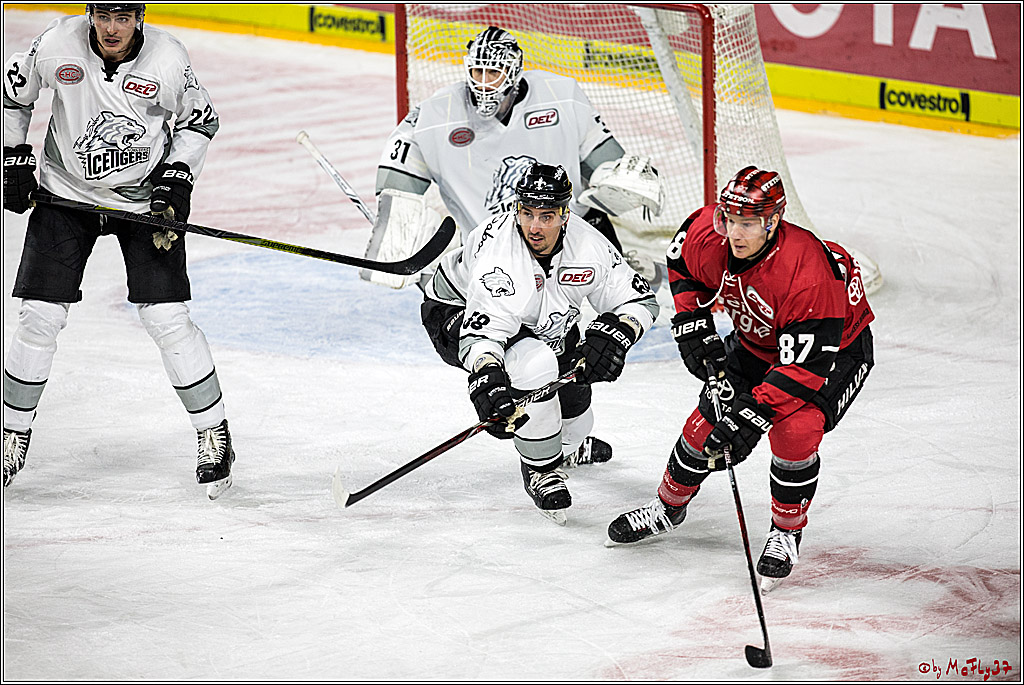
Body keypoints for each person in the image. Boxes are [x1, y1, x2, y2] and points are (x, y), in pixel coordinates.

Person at [2, 4, 235, 499]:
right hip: (66, 196)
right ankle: (10, 435)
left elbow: (201, 120)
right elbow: (13, 93)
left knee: (167, 318)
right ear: (89, 15)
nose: (111, 28)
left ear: (139, 18)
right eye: (103, 16)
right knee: (39, 316)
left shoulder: (167, 59)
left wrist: (178, 178)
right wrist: (13, 153)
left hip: (142, 202)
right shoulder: (58, 43)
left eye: (122, 17)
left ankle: (214, 432)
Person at [606, 166, 875, 592]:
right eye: (729, 220)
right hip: (758, 342)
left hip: (834, 353)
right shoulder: (711, 235)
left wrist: (753, 415)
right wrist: (691, 319)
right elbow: (679, 259)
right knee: (704, 425)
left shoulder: (806, 273)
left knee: (794, 429)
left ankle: (786, 531)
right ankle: (667, 507)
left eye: (747, 223)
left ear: (773, 222)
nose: (735, 232)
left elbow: (802, 370)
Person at [421, 162, 659, 524]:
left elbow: (641, 302)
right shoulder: (501, 259)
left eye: (546, 216)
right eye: (527, 213)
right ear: (516, 208)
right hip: (455, 312)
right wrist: (488, 380)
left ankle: (562, 449)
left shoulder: (588, 245)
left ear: (565, 213)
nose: (534, 227)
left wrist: (618, 333)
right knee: (535, 364)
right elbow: (484, 336)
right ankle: (540, 469)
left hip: (546, 320)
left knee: (577, 419)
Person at [363, 25, 666, 288]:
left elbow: (605, 163)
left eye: (493, 72)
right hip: (494, 251)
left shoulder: (561, 95)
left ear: (513, 71)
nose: (482, 82)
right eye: (477, 71)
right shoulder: (434, 114)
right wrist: (395, 237)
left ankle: (627, 276)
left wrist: (618, 180)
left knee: (617, 300)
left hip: (568, 232)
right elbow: (398, 181)